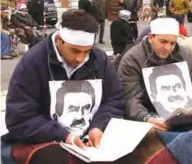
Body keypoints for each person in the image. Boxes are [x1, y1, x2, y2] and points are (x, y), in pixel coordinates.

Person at [4, 9, 124, 146]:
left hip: (91, 140)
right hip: (46, 141)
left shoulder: (99, 59)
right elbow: (19, 118)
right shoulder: (33, 62)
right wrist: (64, 136)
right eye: (75, 51)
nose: (81, 58)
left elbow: (114, 99)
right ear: (59, 40)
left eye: (87, 51)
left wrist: (99, 126)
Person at [117, 17, 192, 131]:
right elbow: (130, 98)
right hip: (149, 111)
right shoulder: (132, 59)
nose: (167, 48)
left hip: (185, 108)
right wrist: (146, 118)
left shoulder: (184, 53)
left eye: (172, 43)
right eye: (163, 42)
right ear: (151, 37)